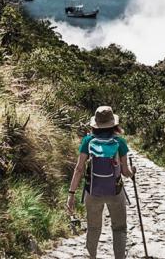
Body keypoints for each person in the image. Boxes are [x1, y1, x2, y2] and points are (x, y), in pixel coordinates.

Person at [66, 105, 133, 259]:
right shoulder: (120, 142)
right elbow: (125, 172)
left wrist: (71, 194)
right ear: (113, 124)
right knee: (119, 229)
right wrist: (132, 172)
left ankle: (91, 256)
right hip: (115, 192)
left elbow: (79, 169)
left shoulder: (88, 141)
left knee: (94, 228)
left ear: (95, 123)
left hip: (93, 191)